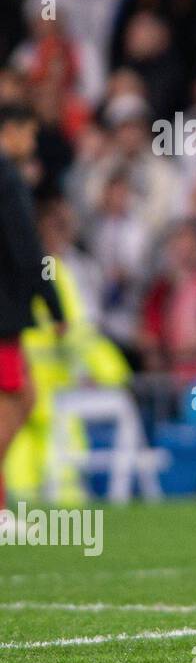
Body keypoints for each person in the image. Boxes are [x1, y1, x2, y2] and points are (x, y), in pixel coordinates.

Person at [0, 104, 64, 529]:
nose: (34, 143)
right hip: (3, 315)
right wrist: (53, 303)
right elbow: (30, 251)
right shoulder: (8, 177)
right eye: (30, 133)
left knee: (22, 399)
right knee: (13, 404)